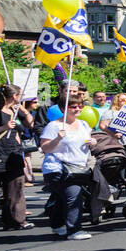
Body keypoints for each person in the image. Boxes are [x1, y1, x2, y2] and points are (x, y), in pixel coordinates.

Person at [40, 91, 97, 240]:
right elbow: (45, 148)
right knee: (74, 196)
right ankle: (74, 230)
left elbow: (88, 140)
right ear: (64, 108)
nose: (78, 109)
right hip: (58, 168)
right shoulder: (54, 126)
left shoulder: (83, 124)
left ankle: (58, 225)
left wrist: (92, 142)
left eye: (80, 106)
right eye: (73, 106)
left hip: (77, 167)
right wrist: (58, 139)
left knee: (62, 198)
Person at [0, 83, 35, 230]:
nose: (22, 97)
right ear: (14, 96)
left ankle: (15, 220)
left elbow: (29, 124)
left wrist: (24, 111)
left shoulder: (15, 110)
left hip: (14, 153)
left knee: (15, 188)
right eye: (21, 95)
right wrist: (4, 127)